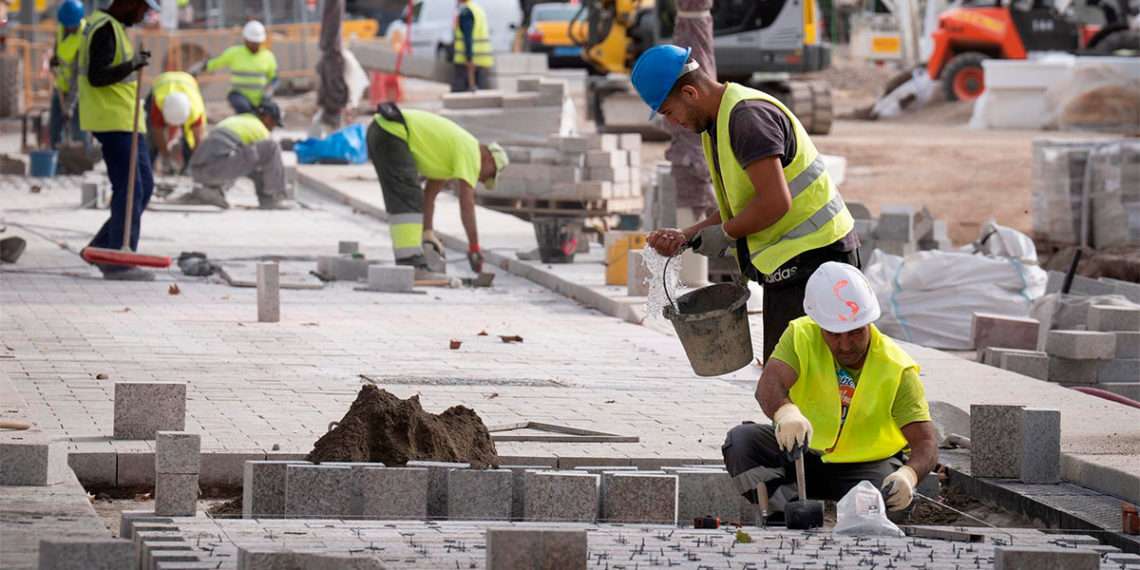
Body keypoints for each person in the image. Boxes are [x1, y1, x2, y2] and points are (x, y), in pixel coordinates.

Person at [631, 44, 859, 362]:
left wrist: (725, 233)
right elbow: (743, 207)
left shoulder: (747, 119)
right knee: (789, 372)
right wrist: (689, 235)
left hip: (817, 258)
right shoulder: (720, 122)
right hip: (795, 260)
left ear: (690, 93)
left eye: (669, 112)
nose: (673, 122)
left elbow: (775, 202)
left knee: (793, 376)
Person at [721, 262, 938, 518]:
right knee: (742, 442)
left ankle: (861, 514)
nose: (845, 345)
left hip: (865, 469)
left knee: (886, 501)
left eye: (855, 333)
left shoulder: (896, 367)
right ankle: (786, 510)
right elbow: (769, 384)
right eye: (834, 334)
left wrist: (909, 475)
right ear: (819, 324)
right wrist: (785, 413)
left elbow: (925, 442)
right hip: (804, 457)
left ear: (868, 322)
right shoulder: (801, 335)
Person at [366, 103, 508, 276]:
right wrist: (474, 247)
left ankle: (410, 259)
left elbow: (429, 197)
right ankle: (410, 262)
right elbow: (467, 203)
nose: (483, 179)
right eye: (489, 175)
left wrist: (427, 232)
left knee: (408, 194)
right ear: (489, 159)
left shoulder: (449, 159)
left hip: (381, 130)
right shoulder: (471, 152)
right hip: (392, 133)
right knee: (407, 195)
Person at [78, 0, 159, 282]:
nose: (143, 14)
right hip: (112, 122)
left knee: (143, 186)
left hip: (126, 122)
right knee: (130, 188)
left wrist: (131, 64)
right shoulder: (104, 29)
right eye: (142, 8)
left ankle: (100, 249)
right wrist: (131, 65)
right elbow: (97, 77)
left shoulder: (113, 27)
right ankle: (119, 260)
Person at [181, 102, 288, 210]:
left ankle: (210, 191)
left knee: (248, 156)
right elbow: (268, 162)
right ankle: (274, 197)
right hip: (215, 170)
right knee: (272, 148)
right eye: (274, 124)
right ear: (268, 118)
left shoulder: (238, 120)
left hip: (199, 172)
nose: (272, 129)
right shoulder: (260, 129)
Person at [192, 20, 278, 114]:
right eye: (252, 42)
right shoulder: (234, 53)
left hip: (260, 98)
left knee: (270, 112)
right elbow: (215, 63)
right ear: (245, 39)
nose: (254, 45)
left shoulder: (268, 56)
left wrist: (269, 91)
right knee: (244, 110)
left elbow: (274, 78)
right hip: (239, 96)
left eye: (257, 42)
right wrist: (198, 68)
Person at [145, 71, 206, 174]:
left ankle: (188, 166)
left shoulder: (196, 111)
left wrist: (196, 161)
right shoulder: (158, 104)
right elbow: (157, 132)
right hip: (161, 83)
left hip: (188, 83)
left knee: (189, 138)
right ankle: (148, 166)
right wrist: (166, 156)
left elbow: (198, 139)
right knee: (150, 136)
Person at [48, 0, 85, 149]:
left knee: (78, 127)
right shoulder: (62, 27)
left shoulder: (84, 36)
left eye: (71, 25)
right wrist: (54, 61)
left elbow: (78, 75)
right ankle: (55, 157)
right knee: (55, 126)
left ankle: (81, 155)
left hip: (79, 91)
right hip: (60, 85)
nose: (68, 27)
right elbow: (58, 51)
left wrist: (69, 106)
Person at [452, 0, 493, 92]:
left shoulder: (466, 12)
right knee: (481, 95)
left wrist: (469, 58)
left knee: (459, 95)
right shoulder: (477, 9)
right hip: (481, 60)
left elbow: (468, 37)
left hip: (468, 63)